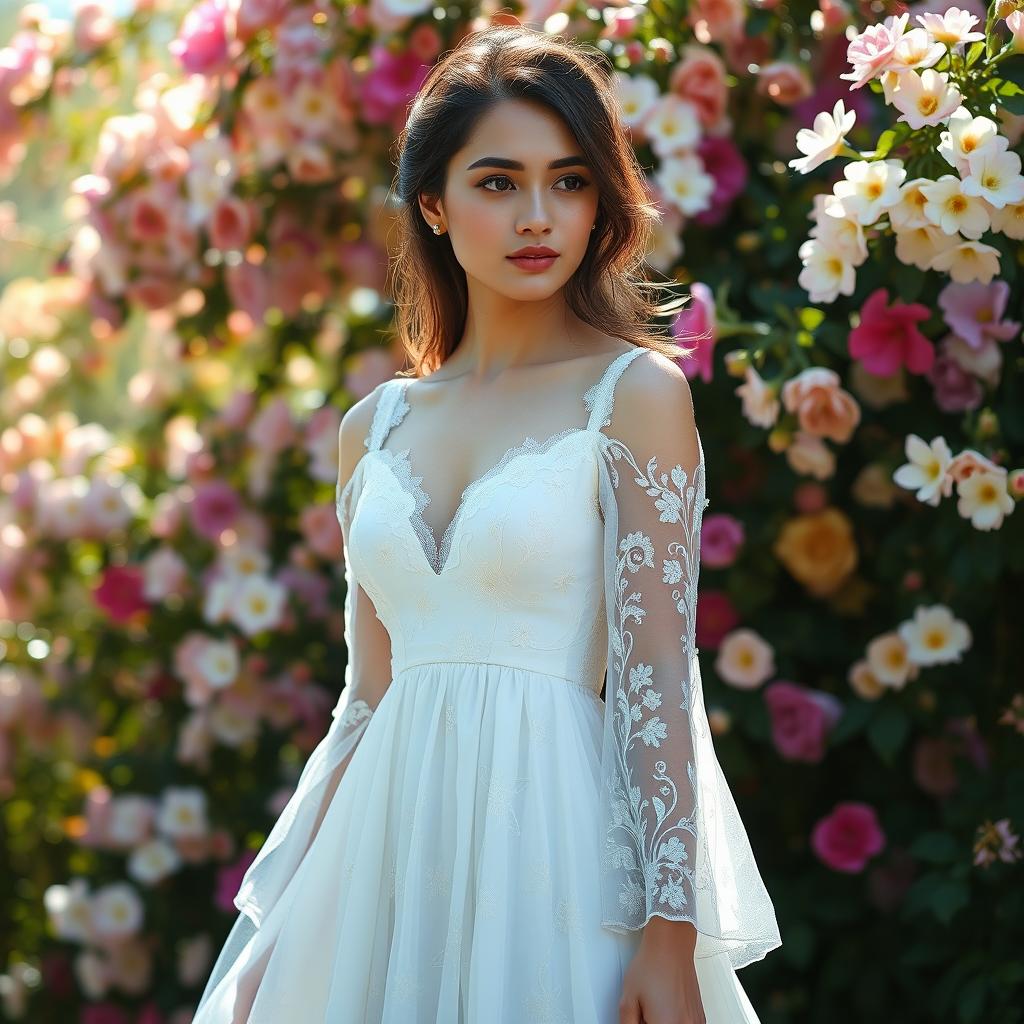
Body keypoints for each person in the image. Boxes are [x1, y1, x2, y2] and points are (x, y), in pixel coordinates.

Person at [193, 24, 781, 1024]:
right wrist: (276, 927)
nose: (538, 216)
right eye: (499, 182)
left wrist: (668, 935)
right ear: (434, 201)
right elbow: (366, 697)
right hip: (380, 864)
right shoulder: (371, 427)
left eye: (570, 181)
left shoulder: (633, 393)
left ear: (601, 200)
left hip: (553, 859)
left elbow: (655, 681)